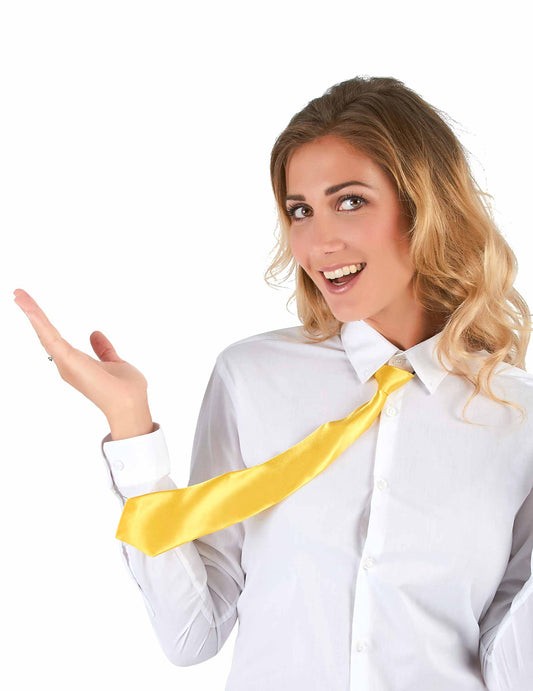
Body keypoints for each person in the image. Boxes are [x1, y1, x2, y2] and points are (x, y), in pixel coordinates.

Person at [13, 76, 533, 690]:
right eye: (300, 211)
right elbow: (191, 634)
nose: (319, 242)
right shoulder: (251, 378)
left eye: (350, 201)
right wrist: (130, 428)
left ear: (424, 208)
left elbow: (508, 670)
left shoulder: (516, 417)